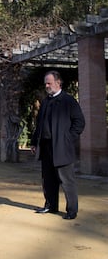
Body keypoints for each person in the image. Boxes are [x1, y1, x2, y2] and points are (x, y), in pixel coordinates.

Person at [30, 71, 85, 220]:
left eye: (49, 83)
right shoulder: (46, 101)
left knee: (67, 180)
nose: (47, 86)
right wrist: (35, 142)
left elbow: (79, 122)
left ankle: (72, 210)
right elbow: (39, 125)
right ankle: (50, 206)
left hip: (62, 147)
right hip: (46, 146)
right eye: (46, 83)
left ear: (58, 82)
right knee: (48, 179)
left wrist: (68, 138)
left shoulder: (68, 101)